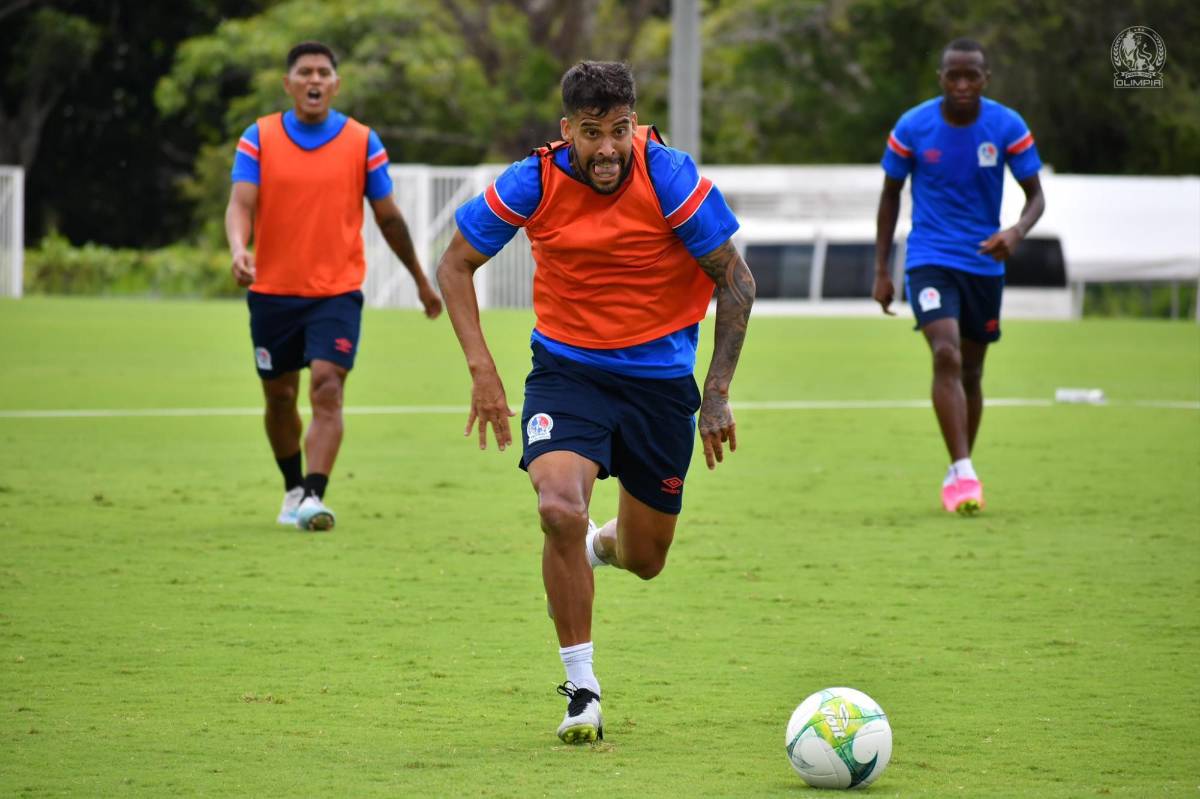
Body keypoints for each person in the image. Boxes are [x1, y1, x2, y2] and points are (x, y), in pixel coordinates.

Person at [436, 61, 754, 743]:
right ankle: (582, 689)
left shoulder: (668, 175)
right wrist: (482, 369)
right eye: (591, 133)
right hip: (567, 373)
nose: (607, 148)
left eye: (619, 130)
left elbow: (736, 279)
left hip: (661, 384)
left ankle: (601, 545)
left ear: (635, 124)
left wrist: (717, 394)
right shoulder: (536, 179)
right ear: (567, 131)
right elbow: (454, 262)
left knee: (646, 557)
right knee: (556, 506)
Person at [225, 41, 442, 531]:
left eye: (323, 72)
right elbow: (241, 203)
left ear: (337, 85)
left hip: (336, 292)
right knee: (280, 396)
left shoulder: (362, 141)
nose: (314, 80)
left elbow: (389, 220)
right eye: (304, 72)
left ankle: (313, 498)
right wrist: (240, 248)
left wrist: (421, 282)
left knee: (328, 387)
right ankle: (292, 487)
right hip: (273, 293)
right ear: (289, 84)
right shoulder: (258, 137)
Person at [873, 38, 1045, 515]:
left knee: (971, 370)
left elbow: (1036, 197)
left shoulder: (1006, 126)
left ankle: (957, 468)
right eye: (954, 76)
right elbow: (889, 197)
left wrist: (1016, 231)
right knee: (945, 354)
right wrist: (881, 270)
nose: (963, 84)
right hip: (929, 257)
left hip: (984, 263)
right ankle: (965, 470)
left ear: (986, 79)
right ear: (941, 78)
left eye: (972, 76)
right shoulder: (913, 126)